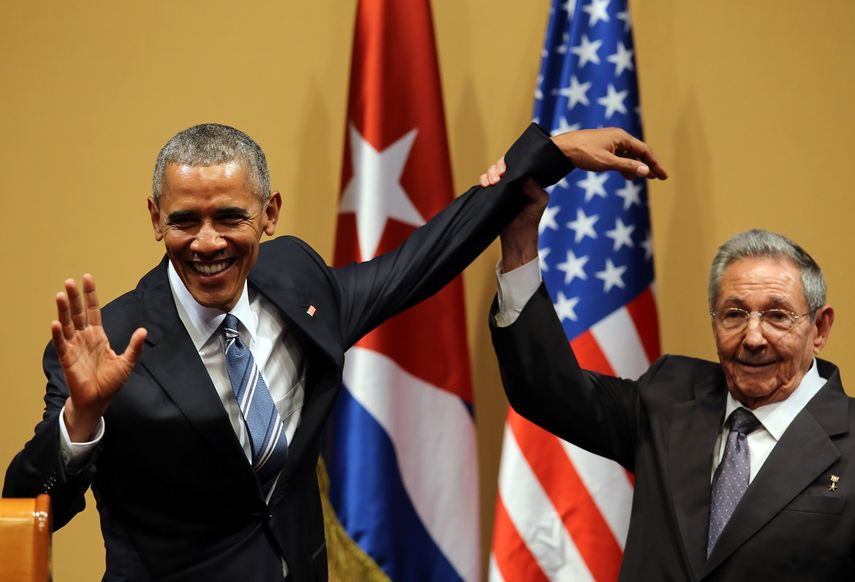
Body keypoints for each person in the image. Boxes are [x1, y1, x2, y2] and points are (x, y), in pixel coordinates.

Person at [3, 122, 665, 581]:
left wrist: (544, 154)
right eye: (184, 220)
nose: (206, 242)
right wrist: (80, 424)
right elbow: (31, 507)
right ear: (156, 220)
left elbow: (421, 260)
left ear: (269, 213)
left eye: (229, 217)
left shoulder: (298, 284)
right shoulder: (106, 341)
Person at [482, 162, 854, 580]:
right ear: (714, 321)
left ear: (819, 328)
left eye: (777, 316)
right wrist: (518, 244)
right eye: (734, 314)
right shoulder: (669, 396)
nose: (753, 338)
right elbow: (546, 389)